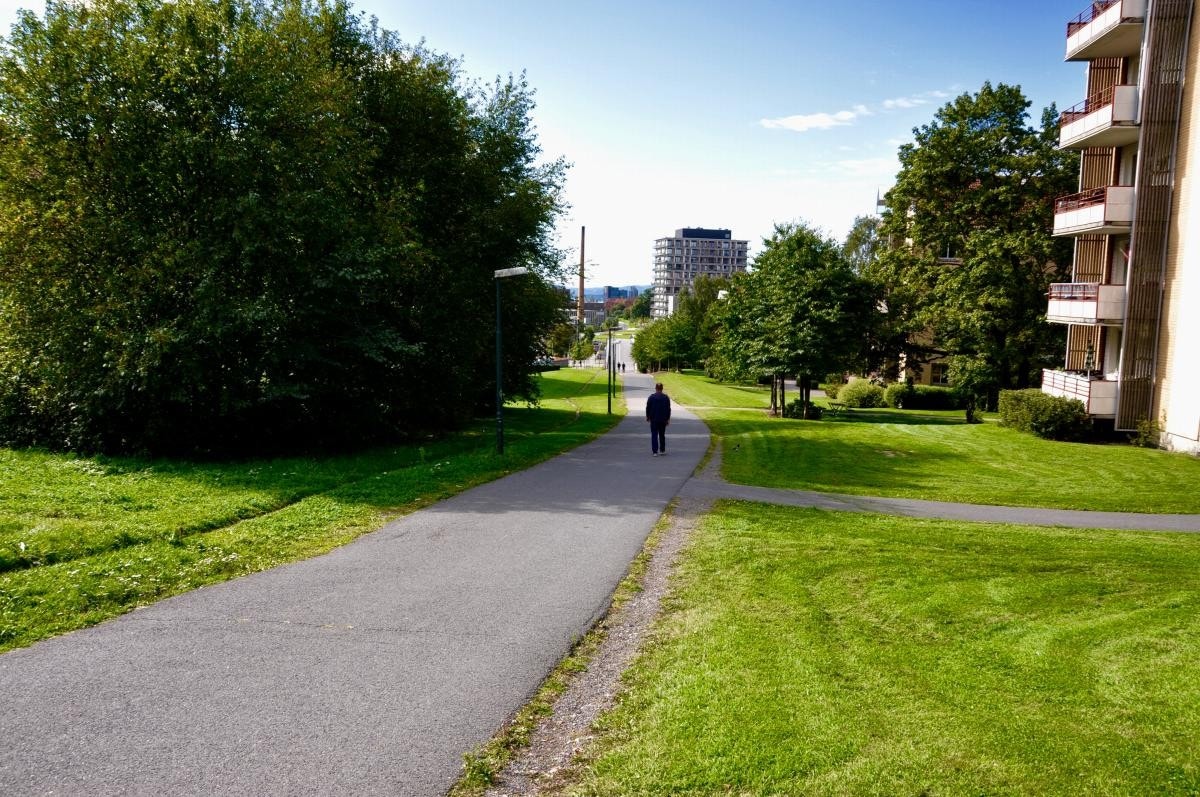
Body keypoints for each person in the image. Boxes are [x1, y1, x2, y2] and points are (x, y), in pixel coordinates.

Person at [645, 382, 671, 456]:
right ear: (662, 389)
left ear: (656, 388)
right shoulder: (666, 397)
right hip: (663, 419)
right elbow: (668, 409)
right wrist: (668, 418)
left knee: (654, 435)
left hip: (654, 419)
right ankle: (662, 450)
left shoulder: (651, 397)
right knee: (662, 435)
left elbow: (648, 407)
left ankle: (655, 452)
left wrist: (647, 416)